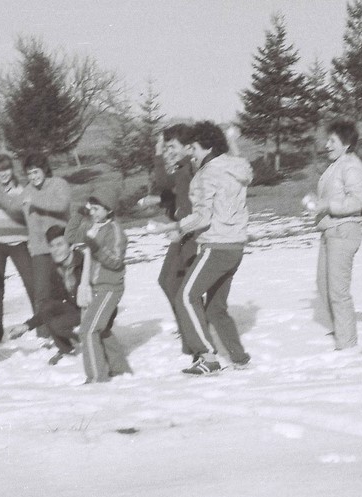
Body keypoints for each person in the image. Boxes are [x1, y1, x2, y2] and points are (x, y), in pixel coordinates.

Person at [147, 121, 253, 375]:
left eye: (193, 147)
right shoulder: (237, 167)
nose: (190, 152)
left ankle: (207, 356)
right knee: (215, 307)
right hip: (235, 246)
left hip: (215, 246)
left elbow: (203, 217)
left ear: (206, 146)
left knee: (185, 296)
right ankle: (238, 357)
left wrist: (170, 228)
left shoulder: (206, 174)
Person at [302, 120, 362, 351]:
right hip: (330, 231)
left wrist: (326, 205)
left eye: (332, 141)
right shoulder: (337, 165)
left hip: (343, 230)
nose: (326, 145)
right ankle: (342, 330)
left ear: (347, 144)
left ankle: (347, 341)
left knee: (337, 290)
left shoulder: (351, 166)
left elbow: (356, 201)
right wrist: (318, 204)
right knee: (324, 285)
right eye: (327, 140)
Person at [0, 153, 71, 343]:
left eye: (36, 172)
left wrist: (34, 202)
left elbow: (61, 205)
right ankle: (46, 335)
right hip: (39, 250)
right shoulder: (27, 191)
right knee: (41, 294)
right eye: (30, 174)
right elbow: (11, 205)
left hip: (61, 248)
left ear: (44, 170)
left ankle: (74, 327)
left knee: (66, 291)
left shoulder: (58, 184)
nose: (34, 177)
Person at [138, 124, 198, 356]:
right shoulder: (183, 168)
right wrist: (155, 201)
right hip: (180, 231)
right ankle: (188, 328)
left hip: (189, 232)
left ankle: (193, 335)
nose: (169, 152)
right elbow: (173, 192)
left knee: (180, 285)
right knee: (167, 280)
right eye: (167, 147)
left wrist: (157, 153)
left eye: (172, 147)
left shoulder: (188, 168)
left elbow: (165, 183)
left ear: (188, 147)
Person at [66, 185, 132, 383]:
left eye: (96, 209)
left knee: (88, 329)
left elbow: (115, 261)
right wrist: (79, 214)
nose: (92, 213)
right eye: (91, 208)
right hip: (95, 287)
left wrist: (94, 247)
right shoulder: (91, 227)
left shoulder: (115, 230)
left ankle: (96, 377)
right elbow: (70, 237)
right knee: (100, 329)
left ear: (108, 210)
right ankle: (119, 368)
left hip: (110, 287)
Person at [7, 225, 87, 365]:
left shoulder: (85, 262)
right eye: (52, 246)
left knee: (58, 324)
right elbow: (51, 303)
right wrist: (27, 326)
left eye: (59, 244)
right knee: (47, 306)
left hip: (94, 308)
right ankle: (66, 348)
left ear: (71, 245)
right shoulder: (55, 268)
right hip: (76, 309)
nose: (55, 250)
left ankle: (90, 340)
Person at [0, 154, 36, 344]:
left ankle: (43, 328)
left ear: (12, 170)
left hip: (19, 243)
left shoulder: (21, 190)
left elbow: (16, 212)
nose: (3, 174)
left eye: (6, 169)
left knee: (32, 285)